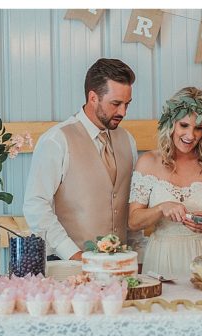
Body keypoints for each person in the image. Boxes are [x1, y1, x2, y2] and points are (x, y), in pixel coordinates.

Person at [25, 58, 138, 261]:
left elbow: (131, 204)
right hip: (68, 266)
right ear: (93, 97)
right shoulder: (57, 140)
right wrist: (73, 254)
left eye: (127, 104)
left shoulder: (127, 140)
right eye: (116, 104)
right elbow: (36, 205)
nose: (123, 112)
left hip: (119, 266)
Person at [128, 87, 202, 279]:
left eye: (198, 128)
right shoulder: (148, 162)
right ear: (171, 123)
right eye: (184, 125)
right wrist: (161, 208)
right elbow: (134, 222)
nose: (190, 135)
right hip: (161, 258)